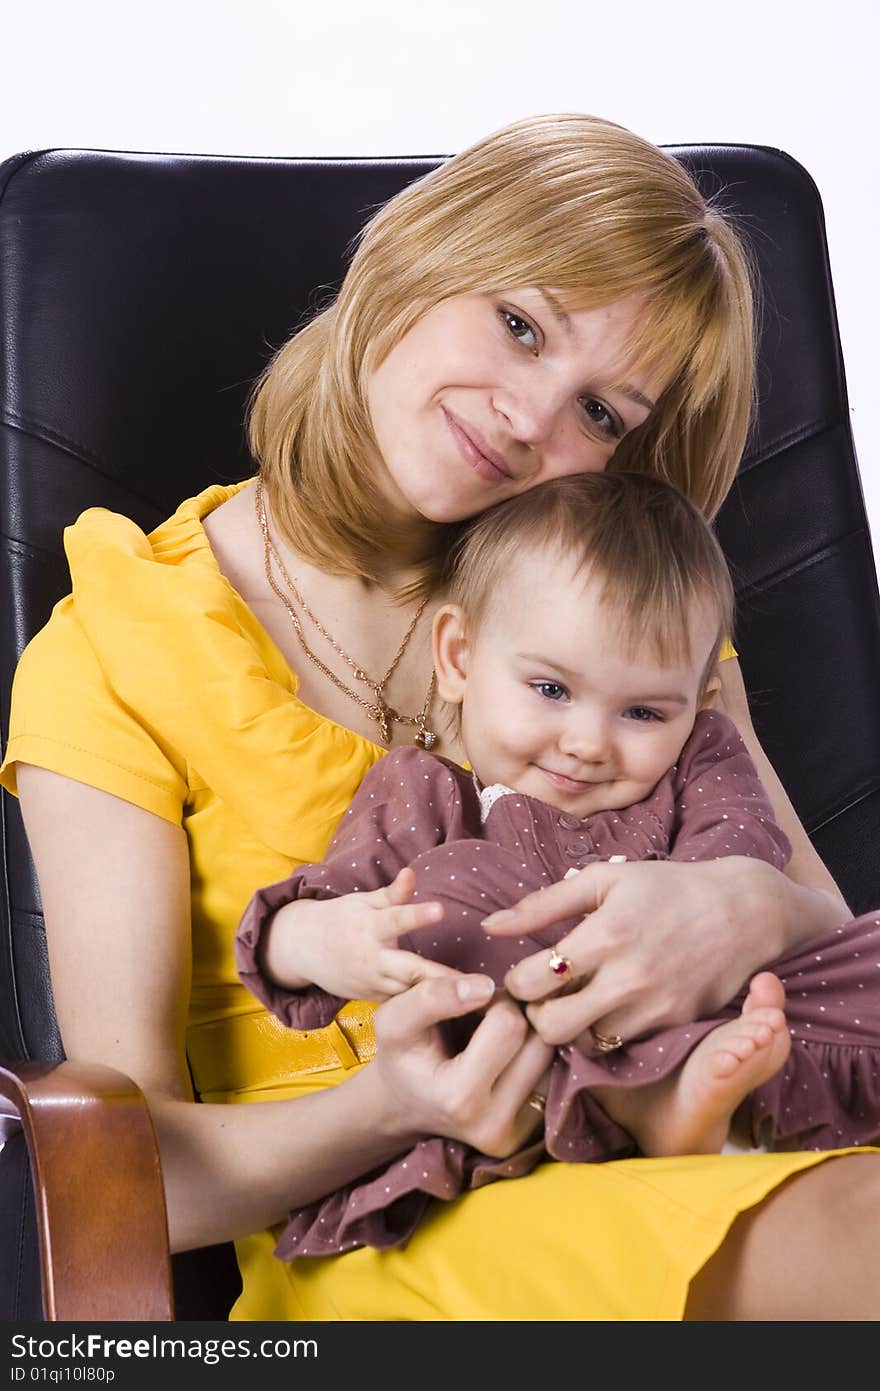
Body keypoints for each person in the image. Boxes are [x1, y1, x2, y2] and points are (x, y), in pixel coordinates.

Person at [2, 111, 879, 1322]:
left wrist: (738, 902)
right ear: (418, 254)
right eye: (519, 326)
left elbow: (830, 940)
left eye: (602, 414)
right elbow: (112, 1174)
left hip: (700, 1138)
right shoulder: (115, 649)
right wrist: (394, 1103)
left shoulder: (603, 618)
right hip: (394, 1234)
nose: (529, 418)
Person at [234, 471, 880, 1257]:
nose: (587, 741)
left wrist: (689, 910)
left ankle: (705, 1095)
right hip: (527, 1062)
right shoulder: (424, 790)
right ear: (459, 656)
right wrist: (318, 940)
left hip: (732, 1012)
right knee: (443, 894)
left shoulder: (702, 754)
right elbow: (316, 907)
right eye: (550, 688)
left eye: (643, 710)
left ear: (700, 700)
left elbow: (736, 871)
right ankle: (652, 1101)